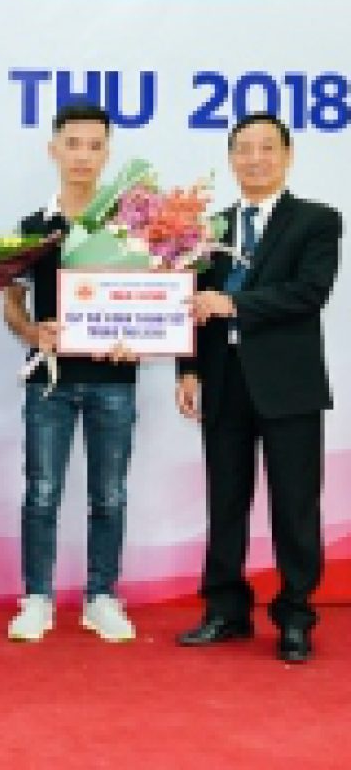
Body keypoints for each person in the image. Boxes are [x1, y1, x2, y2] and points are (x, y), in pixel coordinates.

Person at [175, 112, 342, 664]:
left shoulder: (317, 220)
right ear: (231, 158)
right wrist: (188, 370)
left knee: (295, 505)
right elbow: (191, 306)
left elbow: (309, 292)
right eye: (244, 149)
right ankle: (225, 609)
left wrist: (234, 303)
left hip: (288, 385)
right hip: (224, 381)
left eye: (267, 148)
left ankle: (295, 616)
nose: (255, 158)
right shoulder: (209, 229)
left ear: (287, 156)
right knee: (225, 501)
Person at [3, 103, 139, 644]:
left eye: (94, 145)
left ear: (107, 153)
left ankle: (101, 597)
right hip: (50, 381)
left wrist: (142, 335)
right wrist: (31, 332)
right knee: (42, 492)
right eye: (73, 144)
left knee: (110, 495)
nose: (83, 155)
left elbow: (152, 298)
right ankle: (36, 597)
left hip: (115, 381)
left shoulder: (130, 226)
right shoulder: (33, 228)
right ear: (53, 150)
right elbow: (12, 303)